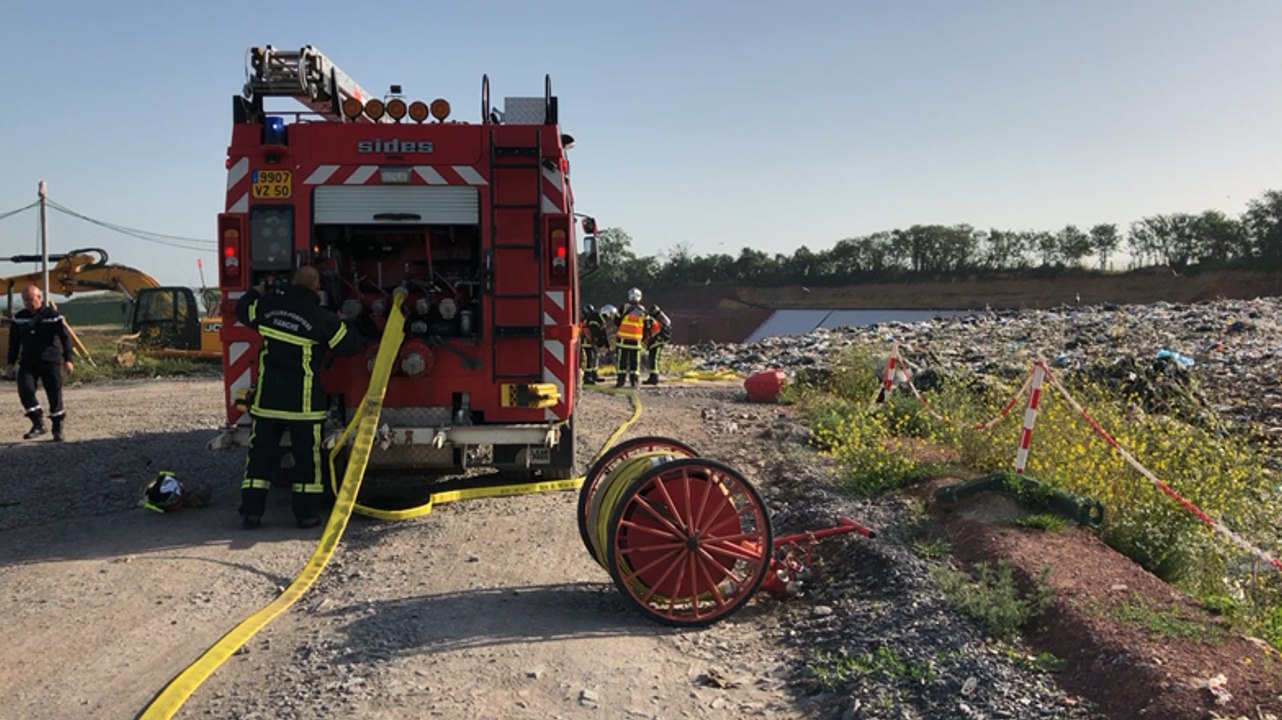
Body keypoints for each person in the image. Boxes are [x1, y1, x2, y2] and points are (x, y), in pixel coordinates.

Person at [235, 266, 360, 529]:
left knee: (260, 458)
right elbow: (349, 347)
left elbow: (242, 310)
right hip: (304, 406)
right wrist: (345, 321)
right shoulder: (323, 319)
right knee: (307, 462)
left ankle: (251, 513)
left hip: (268, 403)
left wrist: (256, 291)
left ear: (292, 282)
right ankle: (306, 515)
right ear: (317, 288)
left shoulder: (268, 307)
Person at [5, 286, 73, 441]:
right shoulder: (19, 318)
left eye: (31, 299)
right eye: (25, 300)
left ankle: (57, 427)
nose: (28, 303)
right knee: (25, 389)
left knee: (54, 394)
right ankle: (38, 423)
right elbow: (13, 343)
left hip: (50, 361)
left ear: (39, 298)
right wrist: (10, 363)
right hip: (28, 362)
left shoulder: (53, 316)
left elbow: (65, 339)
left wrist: (68, 359)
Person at [615, 288, 646, 388]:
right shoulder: (643, 310)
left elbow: (616, 321)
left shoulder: (623, 307)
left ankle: (621, 382)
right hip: (636, 340)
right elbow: (647, 325)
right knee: (635, 362)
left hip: (623, 340)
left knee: (622, 362)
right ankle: (634, 382)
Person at [580, 304, 616, 385]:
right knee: (590, 357)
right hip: (587, 340)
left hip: (591, 341)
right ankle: (587, 377)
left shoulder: (600, 318)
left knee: (595, 356)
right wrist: (597, 340)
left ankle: (594, 375)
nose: (610, 318)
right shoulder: (595, 317)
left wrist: (607, 346)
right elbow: (594, 330)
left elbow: (603, 333)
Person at [642, 304, 672, 385]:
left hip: (657, 340)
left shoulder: (652, 320)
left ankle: (654, 378)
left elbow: (648, 331)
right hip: (657, 339)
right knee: (652, 358)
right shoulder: (660, 319)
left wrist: (644, 339)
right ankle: (652, 376)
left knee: (654, 358)